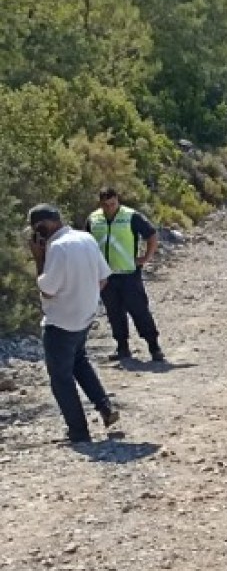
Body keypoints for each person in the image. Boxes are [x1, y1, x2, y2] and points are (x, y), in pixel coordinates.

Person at [27, 204, 119, 443]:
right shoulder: (85, 237)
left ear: (44, 225)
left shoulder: (57, 247)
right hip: (85, 316)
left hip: (61, 322)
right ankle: (105, 407)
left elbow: (47, 289)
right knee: (79, 362)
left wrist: (39, 259)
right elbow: (103, 278)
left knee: (61, 379)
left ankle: (79, 432)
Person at [86, 187, 164, 362]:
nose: (109, 208)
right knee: (114, 312)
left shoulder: (131, 216)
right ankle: (122, 348)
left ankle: (154, 346)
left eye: (112, 204)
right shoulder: (93, 219)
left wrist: (145, 257)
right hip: (106, 275)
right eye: (105, 205)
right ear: (100, 203)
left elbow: (151, 235)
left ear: (117, 201)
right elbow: (87, 243)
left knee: (139, 310)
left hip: (128, 274)